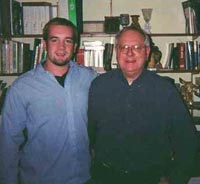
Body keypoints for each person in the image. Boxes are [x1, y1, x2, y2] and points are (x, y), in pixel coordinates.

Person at [88, 26, 199, 184]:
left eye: (136, 47)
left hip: (151, 177)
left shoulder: (165, 90)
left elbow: (188, 141)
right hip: (106, 176)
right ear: (116, 52)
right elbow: (89, 136)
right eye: (124, 47)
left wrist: (175, 179)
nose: (129, 53)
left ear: (147, 53)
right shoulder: (98, 86)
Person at [0, 17, 98, 184]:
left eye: (68, 41)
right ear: (45, 44)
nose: (61, 47)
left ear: (75, 47)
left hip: (83, 178)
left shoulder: (89, 78)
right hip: (40, 179)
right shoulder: (21, 88)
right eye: (55, 40)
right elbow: (8, 143)